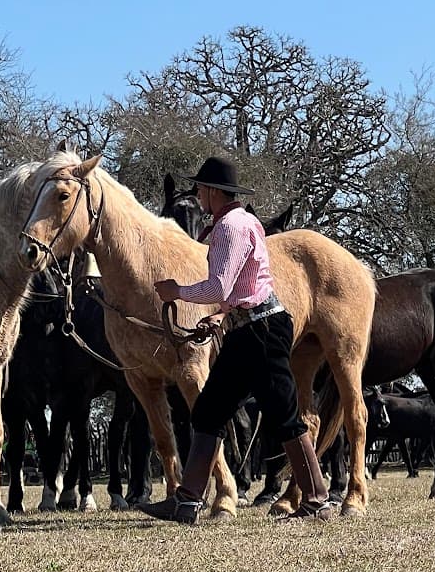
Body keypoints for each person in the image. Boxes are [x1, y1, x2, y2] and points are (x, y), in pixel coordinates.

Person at [140, 156, 333, 524]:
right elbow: (248, 281)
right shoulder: (246, 222)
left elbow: (218, 285)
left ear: (213, 190)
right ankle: (187, 501)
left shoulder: (228, 227)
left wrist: (176, 291)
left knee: (285, 415)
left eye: (200, 188)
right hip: (251, 328)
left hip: (259, 332)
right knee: (209, 411)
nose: (197, 196)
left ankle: (317, 500)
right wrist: (222, 313)